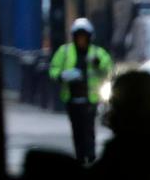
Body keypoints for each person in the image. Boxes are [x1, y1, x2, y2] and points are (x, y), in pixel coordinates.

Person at [48, 17, 112, 163]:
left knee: (88, 129)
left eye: (84, 37)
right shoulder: (64, 51)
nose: (81, 40)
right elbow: (53, 69)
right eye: (79, 36)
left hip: (90, 99)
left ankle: (90, 155)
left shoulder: (97, 53)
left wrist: (98, 64)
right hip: (72, 98)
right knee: (77, 129)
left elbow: (108, 69)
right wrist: (62, 76)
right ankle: (80, 156)